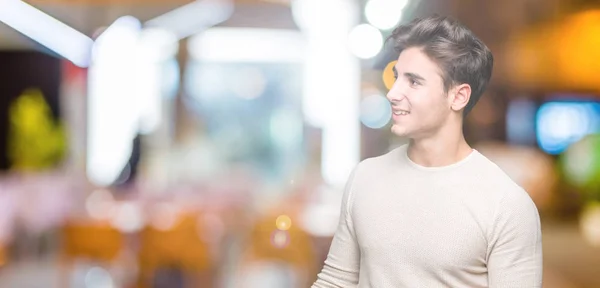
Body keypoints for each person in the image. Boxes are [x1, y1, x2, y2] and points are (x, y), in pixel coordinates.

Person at [312, 15, 542, 288]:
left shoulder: (507, 205)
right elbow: (336, 281)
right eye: (397, 77)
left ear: (458, 96)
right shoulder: (364, 178)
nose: (393, 93)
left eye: (414, 82)